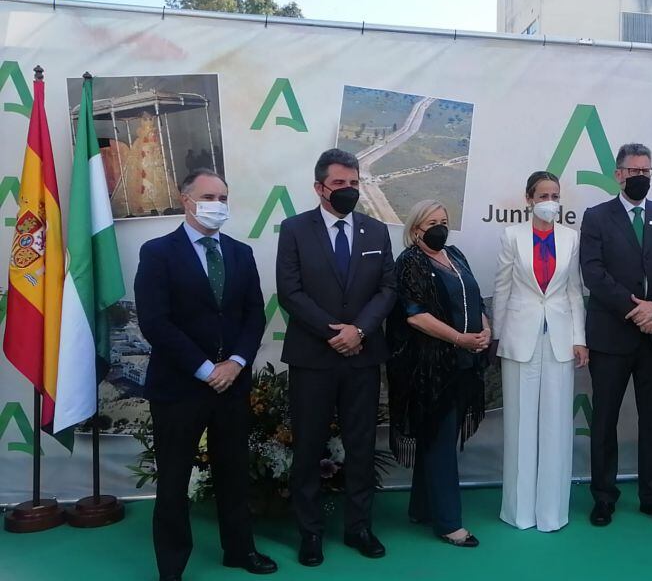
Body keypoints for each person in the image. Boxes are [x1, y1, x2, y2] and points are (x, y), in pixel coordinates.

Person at [135, 169, 277, 581]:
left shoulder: (240, 252)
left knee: (233, 472)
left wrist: (235, 363)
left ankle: (239, 550)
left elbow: (254, 314)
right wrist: (203, 368)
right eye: (210, 196)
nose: (219, 204)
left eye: (224, 197)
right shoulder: (158, 252)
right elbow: (155, 322)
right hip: (179, 387)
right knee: (175, 480)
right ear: (186, 200)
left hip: (231, 384)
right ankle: (172, 567)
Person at [276, 148, 396, 566]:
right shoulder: (293, 230)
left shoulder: (376, 232)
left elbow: (387, 289)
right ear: (319, 187)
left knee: (361, 447)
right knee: (308, 448)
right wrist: (336, 333)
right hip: (313, 358)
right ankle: (310, 533)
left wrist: (359, 331)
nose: (348, 191)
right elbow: (290, 292)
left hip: (362, 357)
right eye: (339, 184)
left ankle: (358, 527)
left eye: (354, 183)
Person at [579, 143, 652, 527]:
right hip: (612, 336)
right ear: (618, 174)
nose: (640, 176)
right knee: (605, 420)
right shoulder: (596, 218)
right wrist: (635, 310)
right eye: (633, 170)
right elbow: (593, 273)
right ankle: (604, 497)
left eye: (647, 170)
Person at [387, 200, 491, 547]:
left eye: (444, 221)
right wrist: (460, 338)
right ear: (416, 229)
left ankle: (422, 508)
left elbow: (475, 298)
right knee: (441, 441)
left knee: (437, 439)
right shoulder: (410, 263)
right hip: (429, 370)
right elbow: (415, 315)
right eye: (432, 222)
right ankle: (449, 523)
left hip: (464, 365)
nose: (439, 227)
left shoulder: (456, 255)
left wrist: (485, 329)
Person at [493, 171, 588, 532]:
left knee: (556, 425)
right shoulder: (511, 236)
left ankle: (552, 513)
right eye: (543, 194)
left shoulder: (571, 238)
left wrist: (580, 338)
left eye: (555, 194)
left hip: (560, 338)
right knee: (519, 425)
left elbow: (574, 291)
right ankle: (518, 511)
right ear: (529, 198)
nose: (550, 201)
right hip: (520, 338)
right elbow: (501, 288)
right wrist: (498, 337)